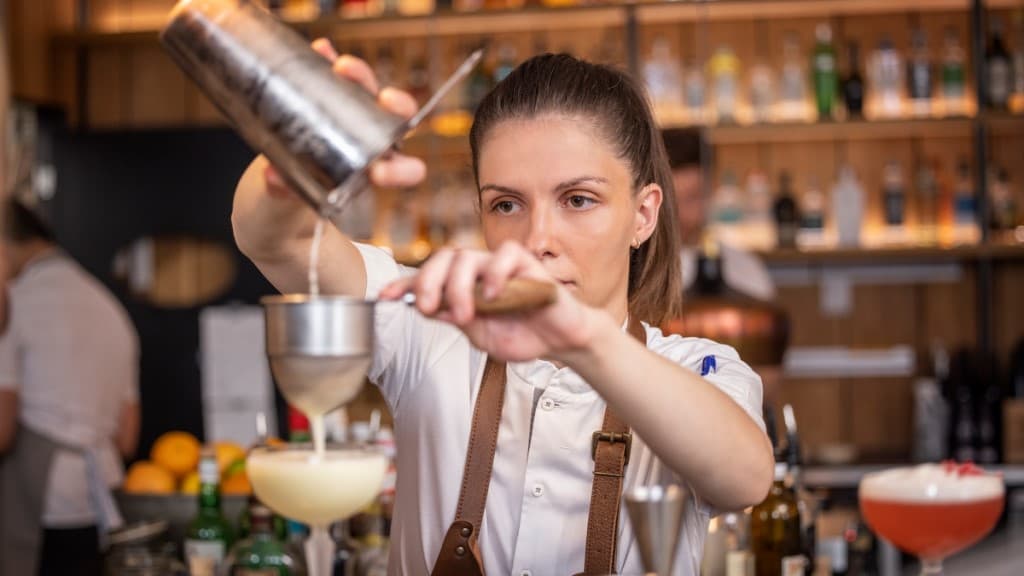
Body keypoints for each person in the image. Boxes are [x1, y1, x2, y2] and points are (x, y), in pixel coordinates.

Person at [233, 41, 772, 575]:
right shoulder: (433, 326)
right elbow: (275, 240)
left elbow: (745, 477)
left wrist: (579, 337)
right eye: (506, 204)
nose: (537, 239)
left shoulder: (698, 368)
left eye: (578, 199)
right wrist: (298, 148)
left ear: (643, 215)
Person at [0, 200, 140, 576]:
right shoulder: (110, 308)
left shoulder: (16, 304)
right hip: (101, 498)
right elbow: (127, 437)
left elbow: (3, 428)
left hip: (38, 502)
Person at [662, 127, 775, 302]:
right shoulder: (632, 278)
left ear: (712, 190)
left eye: (692, 198)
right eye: (670, 201)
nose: (681, 214)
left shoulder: (746, 272)